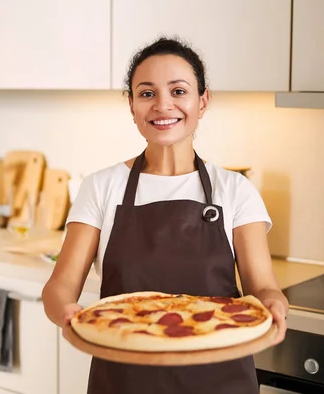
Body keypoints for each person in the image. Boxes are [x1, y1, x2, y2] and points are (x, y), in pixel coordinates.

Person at [42, 36, 289, 394]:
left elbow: (262, 287)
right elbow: (60, 286)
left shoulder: (235, 189)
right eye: (147, 94)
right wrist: (66, 312)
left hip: (221, 380)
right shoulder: (100, 187)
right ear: (131, 105)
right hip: (126, 380)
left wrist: (274, 304)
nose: (163, 105)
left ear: (202, 102)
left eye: (178, 91)